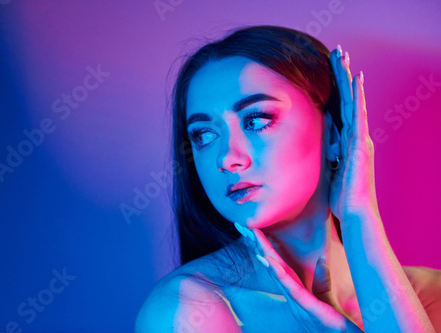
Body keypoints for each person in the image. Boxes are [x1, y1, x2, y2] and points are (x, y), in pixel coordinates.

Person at [135, 25, 441, 332]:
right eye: (204, 134)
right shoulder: (190, 309)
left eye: (256, 120)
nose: (227, 158)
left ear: (334, 134)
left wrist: (360, 219)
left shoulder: (432, 296)